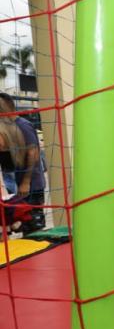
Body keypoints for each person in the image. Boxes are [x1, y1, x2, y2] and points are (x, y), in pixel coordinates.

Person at [0, 94, 46, 233]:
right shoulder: (9, 127)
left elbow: (33, 153)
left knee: (33, 225)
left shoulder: (23, 125)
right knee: (23, 225)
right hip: (20, 186)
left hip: (32, 186)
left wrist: (26, 181)